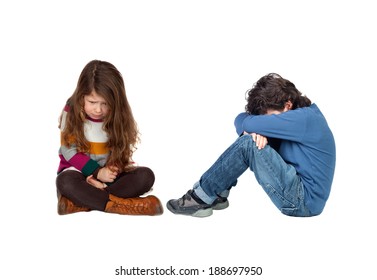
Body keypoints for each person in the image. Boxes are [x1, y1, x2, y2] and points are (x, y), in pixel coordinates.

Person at [167, 73, 336, 217]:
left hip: (302, 201)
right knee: (250, 139)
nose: (264, 123)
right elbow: (241, 118)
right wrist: (256, 130)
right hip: (300, 194)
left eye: (266, 118)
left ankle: (199, 198)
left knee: (248, 143)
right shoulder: (297, 117)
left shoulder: (305, 119)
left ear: (288, 105)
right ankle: (217, 193)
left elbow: (247, 124)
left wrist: (252, 129)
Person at [56, 60, 163, 216]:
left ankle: (83, 203)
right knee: (64, 182)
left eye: (105, 103)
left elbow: (121, 148)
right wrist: (97, 172)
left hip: (107, 175)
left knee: (146, 176)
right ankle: (122, 205)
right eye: (92, 102)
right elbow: (68, 150)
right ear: (81, 96)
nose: (98, 109)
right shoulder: (70, 111)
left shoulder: (118, 115)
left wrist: (112, 169)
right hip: (79, 173)